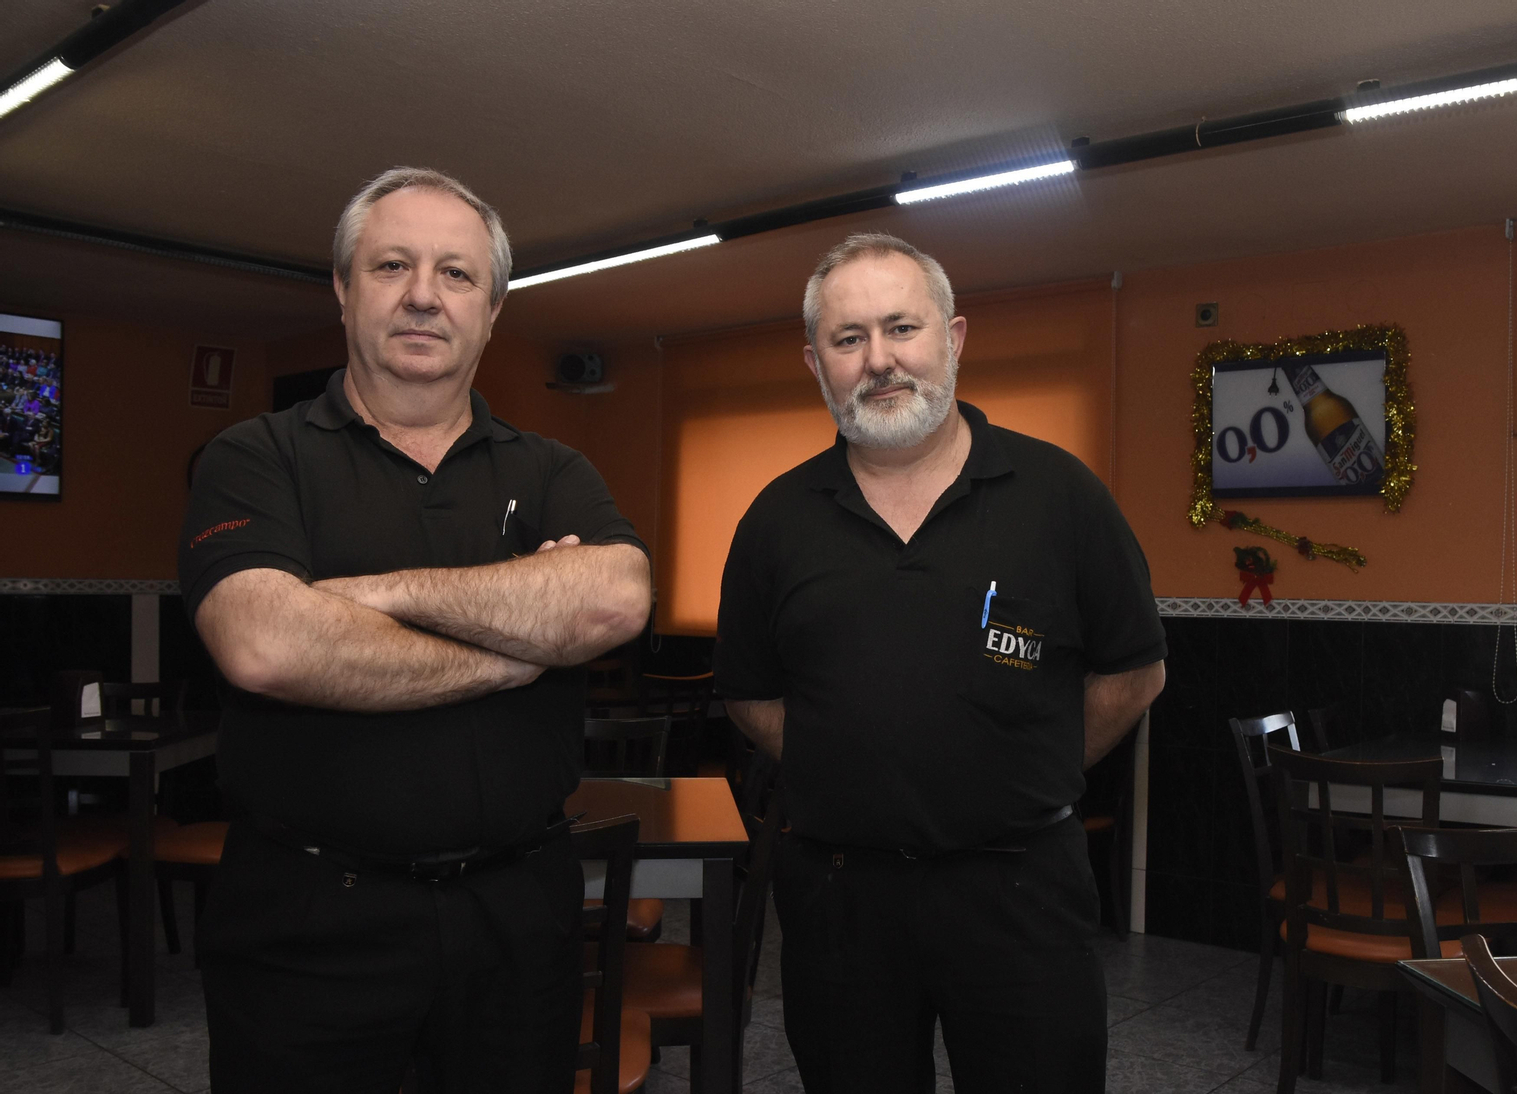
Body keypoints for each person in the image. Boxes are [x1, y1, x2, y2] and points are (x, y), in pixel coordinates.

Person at [179, 166, 652, 1094]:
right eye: (392, 265)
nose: (424, 296)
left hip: (518, 922)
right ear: (344, 290)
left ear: (492, 309)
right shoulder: (253, 457)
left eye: (457, 274)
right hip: (309, 922)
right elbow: (266, 645)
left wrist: (371, 597)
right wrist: (516, 648)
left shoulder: (555, 468)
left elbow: (613, 602)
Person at [714, 233, 1166, 1094]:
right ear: (816, 363)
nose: (879, 360)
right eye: (849, 340)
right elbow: (749, 694)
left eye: (901, 328)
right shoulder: (775, 521)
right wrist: (857, 769)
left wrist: (1022, 774)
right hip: (838, 901)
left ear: (953, 339)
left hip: (1023, 894)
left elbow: (1136, 673)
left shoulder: (1061, 496)